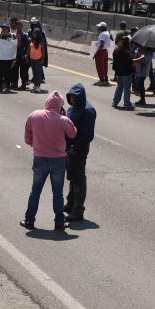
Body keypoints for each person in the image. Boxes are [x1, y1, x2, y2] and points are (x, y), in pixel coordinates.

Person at [21, 91, 77, 231]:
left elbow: (27, 137)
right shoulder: (62, 119)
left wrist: (34, 144)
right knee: (57, 193)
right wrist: (64, 116)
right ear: (60, 105)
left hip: (40, 158)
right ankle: (59, 222)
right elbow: (73, 133)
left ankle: (29, 220)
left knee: (35, 191)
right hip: (58, 160)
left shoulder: (35, 115)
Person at [64, 83, 96, 222]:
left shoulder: (88, 111)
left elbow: (87, 135)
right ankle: (70, 204)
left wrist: (75, 148)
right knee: (72, 176)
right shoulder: (73, 108)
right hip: (69, 148)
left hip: (78, 150)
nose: (71, 99)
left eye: (74, 97)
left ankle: (78, 210)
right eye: (70, 97)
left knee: (78, 179)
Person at [111, 36, 134, 110]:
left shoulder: (116, 51)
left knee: (119, 87)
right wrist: (139, 59)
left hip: (118, 72)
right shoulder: (126, 52)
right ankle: (127, 104)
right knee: (127, 89)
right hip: (126, 73)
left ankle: (115, 102)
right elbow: (130, 62)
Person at [0, 23, 17, 93]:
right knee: (0, 72)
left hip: (9, 57)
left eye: (4, 28)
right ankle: (0, 86)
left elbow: (15, 46)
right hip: (1, 57)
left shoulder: (12, 35)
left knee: (8, 72)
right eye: (2, 28)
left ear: (8, 29)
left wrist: (15, 58)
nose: (3, 29)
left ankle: (7, 87)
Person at [11, 18, 31, 90]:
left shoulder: (25, 35)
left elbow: (28, 45)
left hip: (22, 56)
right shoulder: (13, 35)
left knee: (23, 71)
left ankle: (23, 85)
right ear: (15, 26)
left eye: (20, 25)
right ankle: (14, 83)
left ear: (21, 26)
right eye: (17, 25)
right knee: (14, 70)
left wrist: (26, 55)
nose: (18, 27)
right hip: (15, 55)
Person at [131, 39, 152, 107]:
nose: (141, 45)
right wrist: (137, 58)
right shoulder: (138, 49)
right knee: (139, 84)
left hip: (144, 71)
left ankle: (142, 99)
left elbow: (144, 62)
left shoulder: (149, 52)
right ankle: (142, 99)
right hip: (138, 70)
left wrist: (137, 60)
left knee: (140, 83)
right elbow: (135, 58)